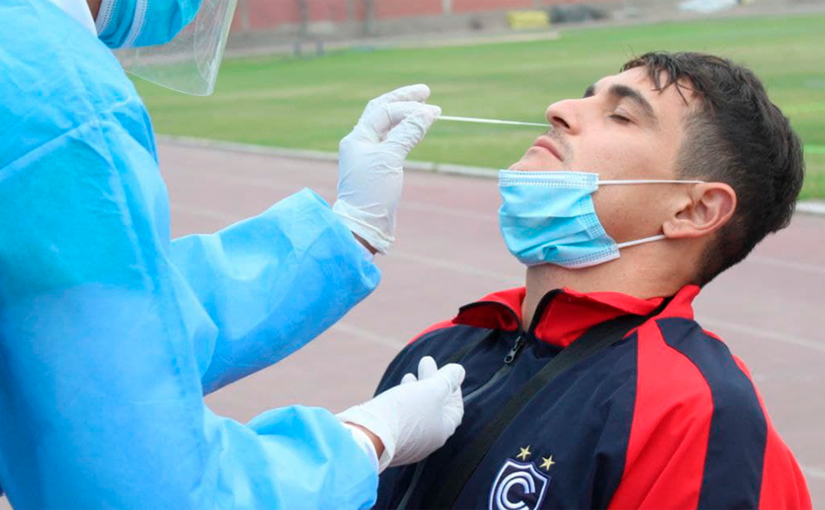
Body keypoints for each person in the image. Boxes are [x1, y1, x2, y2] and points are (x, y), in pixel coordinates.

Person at [0, 0, 466, 508]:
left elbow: (88, 316)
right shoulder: (57, 98)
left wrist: (346, 232)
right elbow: (155, 492)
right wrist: (366, 439)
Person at [372, 52, 813, 510]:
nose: (558, 109)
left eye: (621, 115)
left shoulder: (693, 411)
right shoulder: (443, 346)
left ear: (693, 210)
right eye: (588, 96)